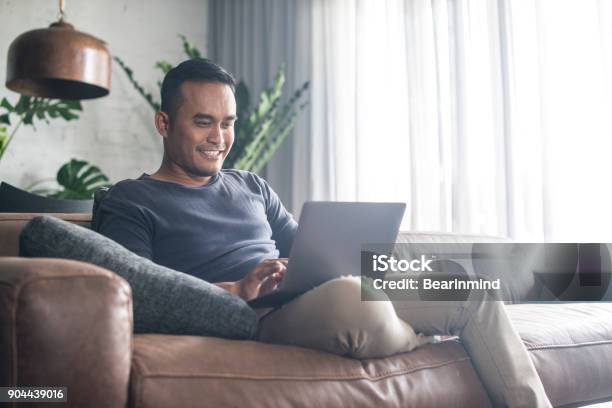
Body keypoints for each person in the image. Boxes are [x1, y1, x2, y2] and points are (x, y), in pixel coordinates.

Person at [94, 58, 552, 408]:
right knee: (356, 300)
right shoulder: (130, 201)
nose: (219, 137)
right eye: (203, 121)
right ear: (164, 123)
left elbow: (310, 251)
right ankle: (424, 332)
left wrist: (328, 259)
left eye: (229, 122)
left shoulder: (251, 185)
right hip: (254, 316)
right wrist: (236, 289)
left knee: (463, 285)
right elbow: (139, 296)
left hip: (310, 294)